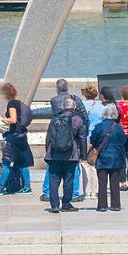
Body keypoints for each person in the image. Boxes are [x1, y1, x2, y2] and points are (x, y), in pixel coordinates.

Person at [44, 82, 87, 213]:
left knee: (54, 180)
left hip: (54, 154)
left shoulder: (55, 118)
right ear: (74, 107)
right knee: (69, 180)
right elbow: (82, 138)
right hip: (71, 154)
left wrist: (48, 152)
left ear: (63, 106)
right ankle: (67, 204)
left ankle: (55, 205)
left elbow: (48, 137)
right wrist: (83, 155)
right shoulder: (78, 119)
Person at [0, 82, 34, 195]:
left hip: (14, 137)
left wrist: (3, 119)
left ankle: (0, 188)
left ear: (5, 93)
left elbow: (13, 120)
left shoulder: (12, 104)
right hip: (21, 136)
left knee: (6, 162)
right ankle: (27, 187)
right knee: (22, 162)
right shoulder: (18, 102)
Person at [90, 102, 126, 212]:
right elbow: (123, 141)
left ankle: (102, 205)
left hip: (102, 157)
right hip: (116, 158)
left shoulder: (99, 127)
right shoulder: (119, 128)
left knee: (102, 183)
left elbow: (93, 140)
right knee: (115, 183)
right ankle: (116, 205)